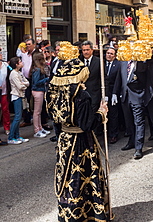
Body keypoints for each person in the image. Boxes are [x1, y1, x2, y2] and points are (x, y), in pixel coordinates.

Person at [46, 41, 109, 222]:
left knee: (66, 176)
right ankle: (87, 213)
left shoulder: (54, 90)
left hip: (64, 139)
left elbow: (53, 116)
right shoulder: (81, 94)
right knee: (81, 177)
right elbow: (87, 124)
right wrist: (101, 113)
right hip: (81, 142)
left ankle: (68, 213)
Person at [113, 58, 147, 159]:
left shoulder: (142, 63)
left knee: (139, 122)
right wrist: (115, 92)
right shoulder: (123, 63)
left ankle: (139, 147)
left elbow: (144, 80)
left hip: (137, 96)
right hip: (125, 96)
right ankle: (131, 141)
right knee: (129, 122)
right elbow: (119, 78)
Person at [8, 57, 29, 145]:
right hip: (16, 96)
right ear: (16, 64)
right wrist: (24, 85)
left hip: (20, 95)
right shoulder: (13, 74)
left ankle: (17, 136)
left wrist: (24, 84)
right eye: (20, 61)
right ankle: (11, 137)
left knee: (19, 117)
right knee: (17, 117)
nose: (21, 62)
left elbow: (27, 82)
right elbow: (20, 86)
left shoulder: (19, 73)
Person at [30, 52, 50, 138]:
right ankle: (36, 130)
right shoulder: (37, 70)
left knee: (39, 111)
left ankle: (40, 128)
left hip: (40, 91)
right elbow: (36, 82)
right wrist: (46, 79)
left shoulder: (37, 69)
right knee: (37, 112)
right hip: (38, 91)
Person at [104, 47, 121, 144]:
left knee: (113, 113)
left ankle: (113, 134)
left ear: (115, 56)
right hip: (104, 90)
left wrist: (114, 93)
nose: (109, 55)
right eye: (107, 53)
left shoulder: (117, 64)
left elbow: (118, 80)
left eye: (111, 54)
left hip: (113, 90)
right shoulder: (102, 64)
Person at [20, 38, 37, 126]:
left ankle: (41, 121)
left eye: (29, 44)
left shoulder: (37, 54)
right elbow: (23, 67)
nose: (27, 46)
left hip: (35, 80)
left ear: (34, 45)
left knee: (36, 100)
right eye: (26, 44)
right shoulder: (24, 55)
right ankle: (27, 119)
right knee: (26, 99)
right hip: (26, 80)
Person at [80, 40, 101, 107]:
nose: (86, 52)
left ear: (92, 50)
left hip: (94, 94)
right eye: (84, 50)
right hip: (81, 96)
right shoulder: (78, 61)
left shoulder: (99, 61)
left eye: (87, 50)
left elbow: (103, 78)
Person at [0, 48, 10, 135]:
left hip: (4, 91)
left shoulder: (5, 65)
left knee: (5, 110)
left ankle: (7, 127)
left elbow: (12, 71)